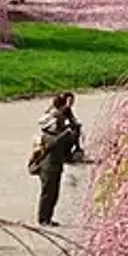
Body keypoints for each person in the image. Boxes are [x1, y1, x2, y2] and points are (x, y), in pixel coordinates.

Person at [29, 93, 82, 227]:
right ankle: (43, 218)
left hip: (56, 167)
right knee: (47, 194)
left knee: (54, 194)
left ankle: (48, 217)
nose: (60, 124)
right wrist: (66, 132)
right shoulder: (48, 136)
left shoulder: (58, 132)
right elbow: (54, 143)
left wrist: (74, 130)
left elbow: (70, 138)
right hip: (47, 168)